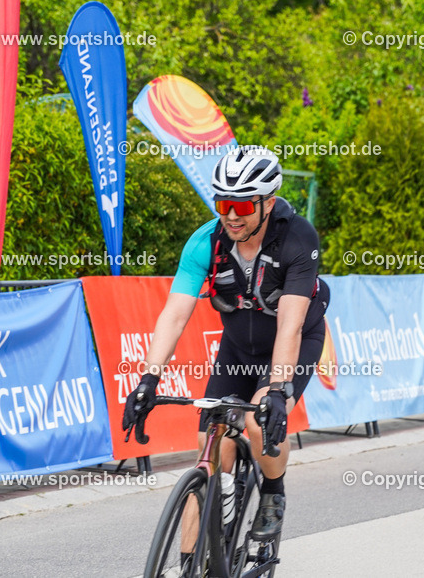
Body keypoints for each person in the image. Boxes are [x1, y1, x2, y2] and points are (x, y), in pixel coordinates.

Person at [123, 146, 329, 552]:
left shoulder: (298, 240)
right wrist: (148, 379)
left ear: (268, 203)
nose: (231, 215)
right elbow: (174, 315)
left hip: (294, 343)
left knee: (256, 422)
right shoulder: (206, 242)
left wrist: (276, 392)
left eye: (241, 204)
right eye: (222, 203)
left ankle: (273, 491)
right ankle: (189, 560)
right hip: (237, 349)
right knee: (210, 449)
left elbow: (289, 327)